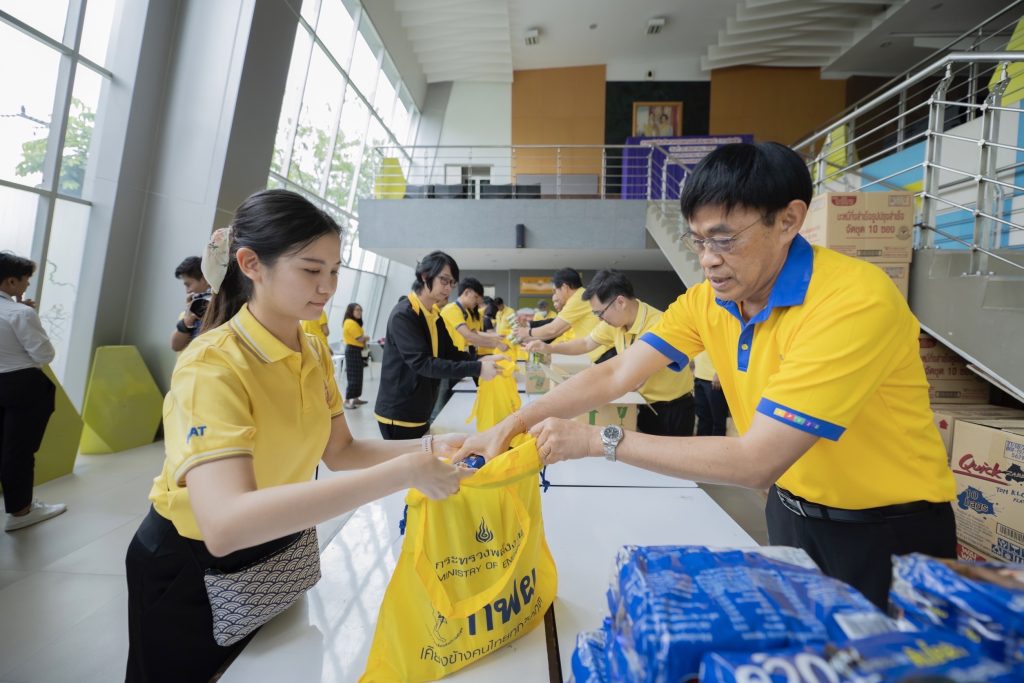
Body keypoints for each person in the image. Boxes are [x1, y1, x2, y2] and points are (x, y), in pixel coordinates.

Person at [456, 142, 956, 609]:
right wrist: (515, 423)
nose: (708, 259)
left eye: (724, 240)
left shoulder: (851, 300)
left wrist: (596, 439)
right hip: (788, 513)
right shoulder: (707, 301)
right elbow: (616, 374)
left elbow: (756, 458)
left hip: (885, 532)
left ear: (789, 220)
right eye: (698, 242)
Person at [125, 190, 472, 682]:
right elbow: (225, 524)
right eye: (311, 270)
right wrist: (405, 473)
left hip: (277, 548)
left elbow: (342, 452)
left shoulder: (310, 347)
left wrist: (431, 448)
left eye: (334, 270)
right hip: (191, 566)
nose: (327, 286)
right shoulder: (212, 366)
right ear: (251, 264)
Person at [527, 269, 695, 437]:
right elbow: (586, 343)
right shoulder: (615, 323)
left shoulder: (658, 324)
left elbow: (634, 379)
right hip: (643, 404)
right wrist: (549, 348)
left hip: (672, 409)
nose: (600, 319)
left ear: (620, 302)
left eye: (600, 312)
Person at [374, 251, 500, 440]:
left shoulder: (433, 314)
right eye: (444, 280)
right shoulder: (405, 314)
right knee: (407, 467)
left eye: (452, 283)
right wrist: (478, 368)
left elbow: (450, 353)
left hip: (420, 406)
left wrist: (482, 359)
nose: (448, 288)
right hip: (399, 412)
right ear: (425, 276)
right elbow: (423, 363)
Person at [0, 252, 65, 532]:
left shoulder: (15, 311)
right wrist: (26, 314)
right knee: (19, 450)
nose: (26, 285)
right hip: (23, 387)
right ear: (11, 281)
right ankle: (21, 511)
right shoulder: (21, 313)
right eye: (25, 280)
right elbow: (44, 355)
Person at [516, 268, 611, 362]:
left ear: (564, 287)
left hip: (604, 352)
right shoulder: (580, 296)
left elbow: (552, 329)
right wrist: (529, 338)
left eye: (555, 291)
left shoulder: (578, 298)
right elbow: (559, 331)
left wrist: (527, 332)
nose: (556, 295)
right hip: (596, 351)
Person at [170, 256, 212, 352]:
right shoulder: (188, 312)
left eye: (188, 285)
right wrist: (187, 321)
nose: (187, 291)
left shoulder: (224, 307)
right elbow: (175, 346)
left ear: (204, 279)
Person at [693, 350, 728, 436]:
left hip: (714, 380)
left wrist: (720, 372)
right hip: (699, 377)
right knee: (703, 419)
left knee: (718, 422)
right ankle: (702, 448)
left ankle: (719, 448)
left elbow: (729, 350)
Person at [342, 303, 368, 410]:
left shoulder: (355, 323)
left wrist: (365, 337)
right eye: (357, 310)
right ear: (351, 311)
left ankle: (356, 398)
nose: (360, 312)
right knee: (353, 376)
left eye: (361, 310)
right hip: (353, 350)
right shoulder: (350, 322)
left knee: (358, 376)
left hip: (357, 350)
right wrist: (367, 337)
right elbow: (360, 338)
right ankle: (347, 400)